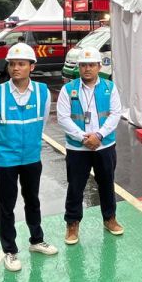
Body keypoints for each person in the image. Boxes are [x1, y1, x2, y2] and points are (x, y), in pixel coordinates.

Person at [0, 42, 59, 270]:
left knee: (32, 200)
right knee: (6, 205)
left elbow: (42, 121)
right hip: (6, 158)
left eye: (21, 64)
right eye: (12, 64)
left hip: (32, 157)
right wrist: (2, 146)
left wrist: (31, 143)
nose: (16, 68)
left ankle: (36, 240)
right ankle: (10, 250)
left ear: (31, 67)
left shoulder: (42, 92)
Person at [57, 46, 124, 245]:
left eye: (91, 65)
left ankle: (109, 219)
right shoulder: (68, 89)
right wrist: (83, 137)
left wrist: (100, 136)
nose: (87, 69)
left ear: (98, 66)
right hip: (78, 148)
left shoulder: (109, 87)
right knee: (75, 187)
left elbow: (115, 113)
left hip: (104, 146)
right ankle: (72, 223)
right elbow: (62, 117)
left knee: (106, 184)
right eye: (83, 65)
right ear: (78, 67)